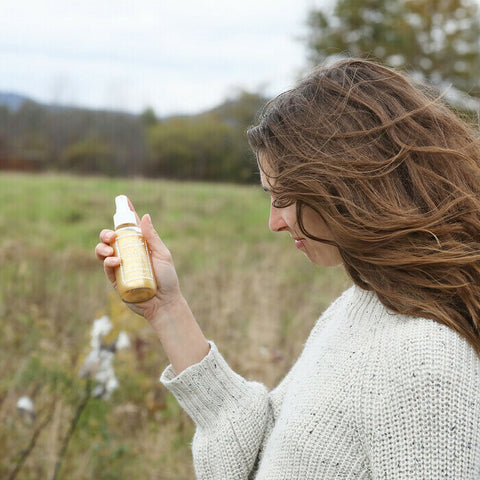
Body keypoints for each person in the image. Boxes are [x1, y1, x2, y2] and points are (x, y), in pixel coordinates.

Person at [95, 58, 480, 479]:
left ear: (347, 185)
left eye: (282, 197)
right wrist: (166, 309)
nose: (274, 221)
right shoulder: (361, 307)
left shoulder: (424, 364)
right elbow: (265, 449)